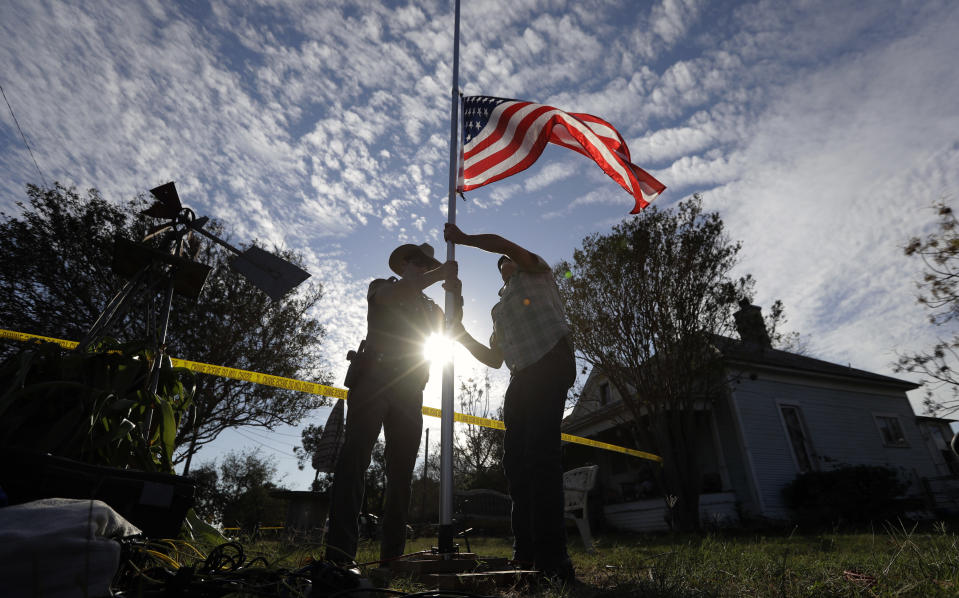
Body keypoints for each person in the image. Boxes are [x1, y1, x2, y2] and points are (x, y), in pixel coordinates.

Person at [443, 222, 576, 584]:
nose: (504, 263)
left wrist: (464, 240)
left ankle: (554, 559)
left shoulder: (538, 270)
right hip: (521, 376)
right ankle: (526, 553)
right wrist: (460, 334)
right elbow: (493, 358)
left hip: (551, 359)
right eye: (500, 264)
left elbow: (501, 242)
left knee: (541, 456)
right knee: (516, 463)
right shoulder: (498, 310)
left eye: (507, 260)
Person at [325, 242, 459, 566]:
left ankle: (393, 558)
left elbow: (452, 329)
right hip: (373, 379)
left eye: (425, 264)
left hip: (409, 389)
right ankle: (340, 557)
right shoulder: (382, 287)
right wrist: (441, 273)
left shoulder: (432, 309)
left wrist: (456, 293)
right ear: (402, 265)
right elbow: (397, 296)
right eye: (415, 262)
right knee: (354, 460)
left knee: (401, 474)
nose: (420, 267)